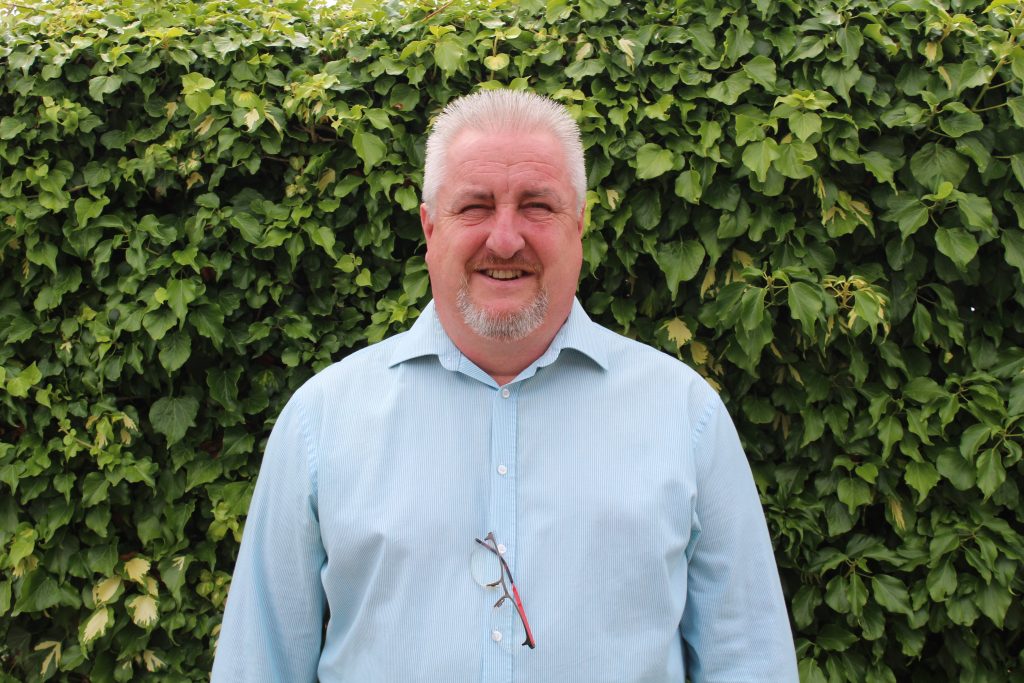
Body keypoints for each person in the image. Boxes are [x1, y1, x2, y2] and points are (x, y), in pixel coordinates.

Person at [211, 89, 799, 682]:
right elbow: (256, 667)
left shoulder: (686, 417)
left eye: (537, 205)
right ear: (429, 226)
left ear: (579, 225)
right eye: (475, 206)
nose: (505, 239)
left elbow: (750, 663)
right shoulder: (321, 421)